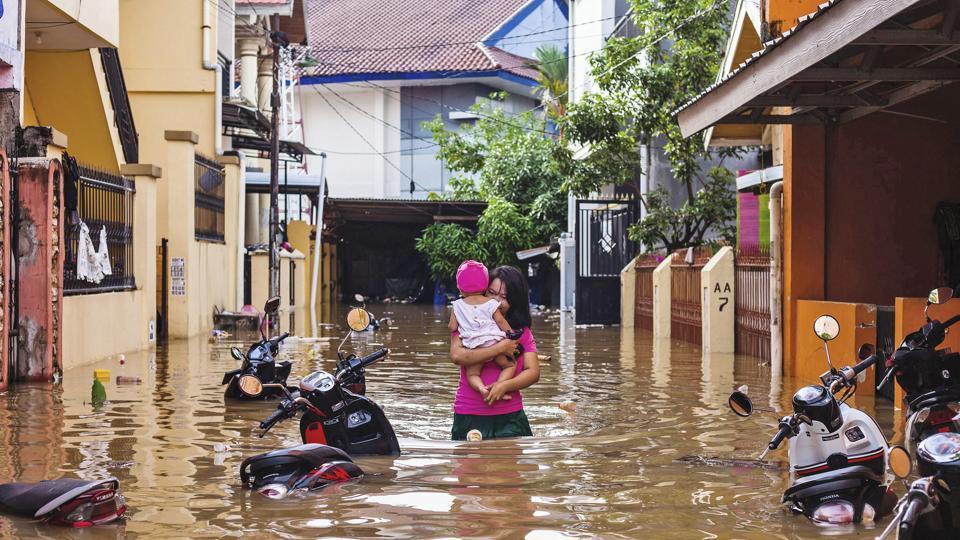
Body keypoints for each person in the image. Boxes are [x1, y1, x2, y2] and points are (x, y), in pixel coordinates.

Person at [450, 265, 540, 440]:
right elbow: (457, 356)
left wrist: (504, 386)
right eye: (491, 293)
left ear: (516, 301)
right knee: (468, 467)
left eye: (504, 297)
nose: (497, 302)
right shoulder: (465, 325)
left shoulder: (520, 332)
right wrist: (499, 348)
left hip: (510, 416)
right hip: (469, 413)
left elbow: (533, 372)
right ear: (482, 291)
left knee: (510, 467)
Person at [448, 260, 517, 400]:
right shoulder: (491, 303)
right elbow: (500, 321)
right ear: (486, 286)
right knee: (509, 366)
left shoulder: (457, 305)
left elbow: (452, 327)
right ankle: (499, 387)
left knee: (472, 374)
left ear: (459, 288)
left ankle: (482, 389)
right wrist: (511, 335)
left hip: (473, 345)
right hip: (493, 340)